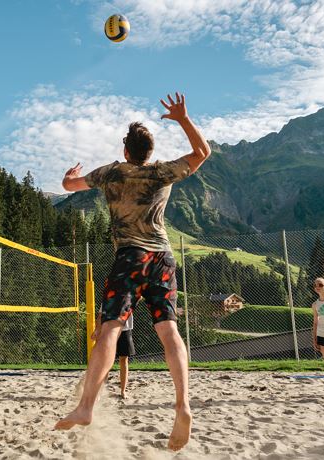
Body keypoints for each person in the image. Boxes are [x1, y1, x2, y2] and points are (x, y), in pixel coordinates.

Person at [56, 92, 211, 451]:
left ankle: (86, 406)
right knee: (169, 329)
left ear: (126, 151)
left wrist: (70, 176)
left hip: (130, 257)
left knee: (110, 328)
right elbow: (202, 153)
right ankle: (183, 403)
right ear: (148, 153)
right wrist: (184, 118)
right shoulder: (161, 173)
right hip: (163, 258)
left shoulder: (111, 173)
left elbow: (68, 187)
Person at [114, 311, 135, 399]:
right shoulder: (108, 298)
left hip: (125, 329)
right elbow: (101, 313)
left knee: (124, 359)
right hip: (110, 330)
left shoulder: (130, 297)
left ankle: (123, 391)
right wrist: (98, 329)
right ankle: (99, 391)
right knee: (106, 362)